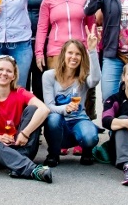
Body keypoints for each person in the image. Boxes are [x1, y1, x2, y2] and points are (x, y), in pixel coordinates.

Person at [0, 56, 52, 183]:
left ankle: (17, 165)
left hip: (20, 146)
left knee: (33, 110)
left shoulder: (20, 93)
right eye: (0, 69)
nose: (4, 73)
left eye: (9, 71)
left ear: (14, 76)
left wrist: (25, 133)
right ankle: (31, 169)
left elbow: (44, 109)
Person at [41, 35, 101, 167]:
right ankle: (53, 153)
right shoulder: (49, 76)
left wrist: (92, 50)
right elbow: (49, 106)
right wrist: (65, 108)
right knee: (53, 118)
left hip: (79, 120)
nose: (73, 57)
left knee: (90, 137)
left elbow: (96, 79)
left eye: (78, 54)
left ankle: (87, 150)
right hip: (58, 124)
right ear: (63, 54)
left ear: (81, 58)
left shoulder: (83, 76)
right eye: (70, 53)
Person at [35, 0, 92, 76]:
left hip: (81, 51)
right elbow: (42, 28)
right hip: (56, 52)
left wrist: (93, 50)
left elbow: (91, 25)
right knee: (58, 89)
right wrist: (39, 53)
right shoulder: (48, 0)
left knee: (83, 90)